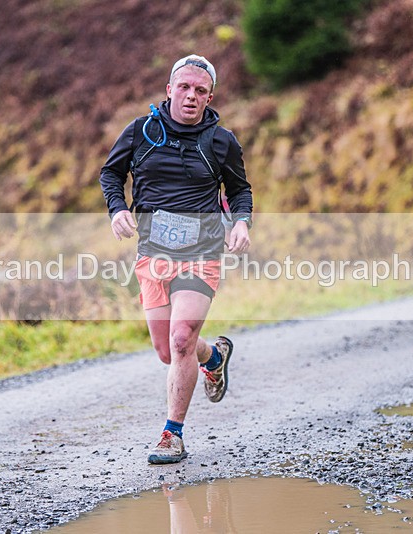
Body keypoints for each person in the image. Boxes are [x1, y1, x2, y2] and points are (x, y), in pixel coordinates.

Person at [99, 54, 253, 464]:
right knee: (168, 351)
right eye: (183, 87)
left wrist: (241, 223)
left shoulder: (221, 141)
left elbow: (240, 190)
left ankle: (172, 435)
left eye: (200, 91)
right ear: (169, 90)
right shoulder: (140, 132)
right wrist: (117, 209)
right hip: (153, 253)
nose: (190, 96)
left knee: (181, 338)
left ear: (209, 97)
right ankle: (215, 357)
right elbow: (110, 174)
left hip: (202, 252)